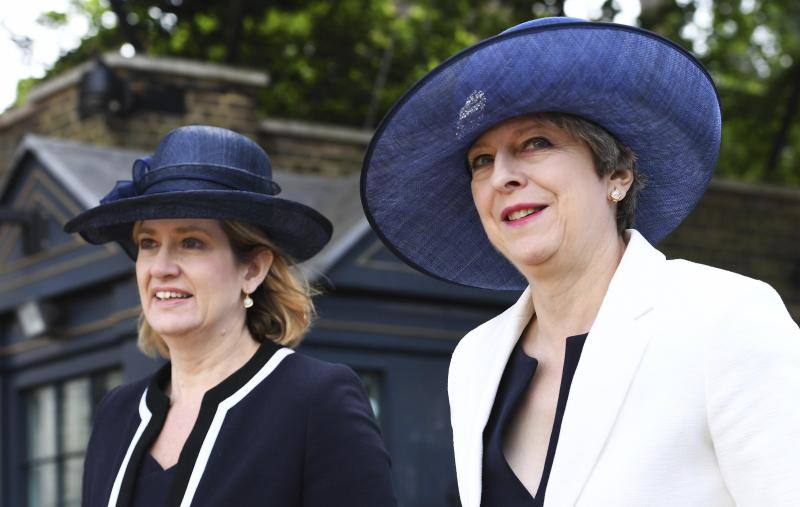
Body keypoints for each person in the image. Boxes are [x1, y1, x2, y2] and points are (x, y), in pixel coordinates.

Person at [360, 16, 800, 507]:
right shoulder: (474, 360)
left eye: (535, 143)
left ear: (616, 174)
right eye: (481, 160)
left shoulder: (724, 317)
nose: (501, 175)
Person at [65, 125, 396, 507]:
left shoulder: (315, 400)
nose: (161, 267)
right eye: (148, 243)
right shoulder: (117, 413)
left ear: (252, 269)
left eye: (192, 243)